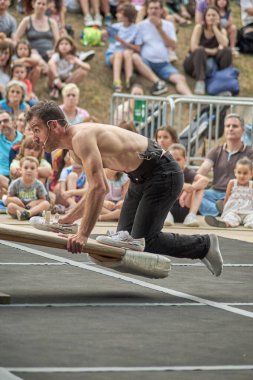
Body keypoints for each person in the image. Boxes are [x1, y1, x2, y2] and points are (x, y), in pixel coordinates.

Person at [26, 100, 224, 277]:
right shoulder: (75, 151)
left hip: (163, 173)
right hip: (139, 178)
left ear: (53, 126)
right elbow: (95, 190)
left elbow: (99, 189)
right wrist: (67, 220)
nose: (33, 137)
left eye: (36, 129)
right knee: (125, 241)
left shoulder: (81, 138)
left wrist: (83, 235)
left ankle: (205, 245)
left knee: (145, 241)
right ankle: (200, 246)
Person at [197, 113, 253, 217]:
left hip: (239, 193)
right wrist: (193, 185)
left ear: (243, 130)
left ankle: (222, 210)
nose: (230, 129)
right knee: (196, 194)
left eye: (235, 126)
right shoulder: (216, 150)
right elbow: (203, 169)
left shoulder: (250, 152)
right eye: (228, 126)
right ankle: (220, 211)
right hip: (214, 193)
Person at [132, 0, 192, 96]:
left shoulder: (168, 25)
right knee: (135, 57)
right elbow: (137, 47)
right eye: (151, 8)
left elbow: (173, 46)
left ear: (161, 10)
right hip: (146, 61)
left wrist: (159, 28)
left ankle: (191, 98)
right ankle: (158, 81)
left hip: (163, 64)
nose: (153, 11)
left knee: (180, 79)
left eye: (156, 8)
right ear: (147, 10)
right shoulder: (141, 26)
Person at [183, 5, 232, 95]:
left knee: (227, 51)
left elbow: (224, 44)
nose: (211, 17)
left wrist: (214, 28)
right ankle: (200, 81)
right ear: (205, 17)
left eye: (214, 15)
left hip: (211, 62)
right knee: (200, 50)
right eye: (208, 15)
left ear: (218, 17)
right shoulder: (199, 28)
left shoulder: (222, 30)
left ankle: (222, 77)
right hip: (194, 62)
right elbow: (193, 47)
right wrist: (212, 51)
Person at [165, 143, 209, 227]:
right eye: (172, 159)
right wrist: (184, 186)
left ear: (185, 160)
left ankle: (191, 216)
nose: (175, 162)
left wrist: (190, 189)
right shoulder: (165, 172)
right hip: (168, 210)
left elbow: (205, 180)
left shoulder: (187, 172)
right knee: (160, 185)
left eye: (178, 159)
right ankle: (166, 215)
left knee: (200, 187)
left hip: (185, 208)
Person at [205, 157, 253, 228]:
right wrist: (224, 211)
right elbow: (227, 197)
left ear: (251, 174)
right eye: (239, 172)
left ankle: (250, 224)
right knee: (230, 217)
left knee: (251, 218)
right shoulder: (232, 183)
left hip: (248, 211)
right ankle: (225, 224)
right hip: (234, 210)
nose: (241, 176)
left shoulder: (251, 184)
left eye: (245, 173)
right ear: (235, 172)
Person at [106, 3, 139, 92]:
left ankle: (129, 80)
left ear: (127, 16)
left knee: (127, 53)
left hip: (127, 55)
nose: (117, 15)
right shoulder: (114, 27)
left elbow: (137, 48)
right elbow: (112, 45)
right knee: (119, 54)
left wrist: (122, 41)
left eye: (120, 13)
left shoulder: (136, 29)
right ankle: (116, 81)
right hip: (113, 55)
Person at [6, 155, 50, 220]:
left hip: (33, 208)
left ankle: (28, 213)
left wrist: (35, 203)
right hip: (20, 208)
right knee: (10, 206)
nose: (29, 170)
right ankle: (25, 213)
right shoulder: (15, 183)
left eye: (32, 168)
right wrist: (14, 199)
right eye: (26, 168)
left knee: (46, 204)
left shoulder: (38, 184)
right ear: (20, 170)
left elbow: (43, 199)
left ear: (36, 171)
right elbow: (8, 199)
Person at [0, 111, 23, 192]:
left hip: (17, 175)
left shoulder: (23, 139)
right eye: (0, 122)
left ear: (14, 123)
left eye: (5, 121)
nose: (2, 124)